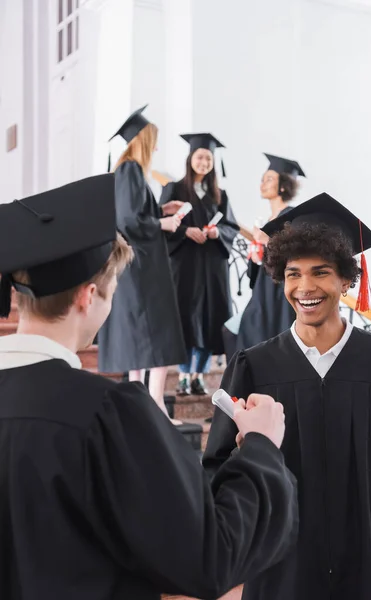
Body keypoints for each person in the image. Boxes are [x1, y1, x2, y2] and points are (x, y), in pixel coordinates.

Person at [0, 174, 298, 600]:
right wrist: (261, 447)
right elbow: (209, 558)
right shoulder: (105, 414)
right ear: (88, 296)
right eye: (112, 292)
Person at [204, 192, 371, 600]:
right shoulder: (255, 367)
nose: (305, 287)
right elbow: (217, 469)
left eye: (321, 272)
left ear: (346, 279)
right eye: (293, 273)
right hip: (280, 564)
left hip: (367, 557)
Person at [98, 106, 187, 423]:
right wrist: (162, 224)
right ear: (143, 140)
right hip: (141, 267)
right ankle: (154, 404)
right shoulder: (130, 170)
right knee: (155, 333)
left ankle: (143, 406)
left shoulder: (129, 171)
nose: (157, 147)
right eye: (155, 140)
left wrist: (162, 210)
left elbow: (136, 214)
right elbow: (129, 220)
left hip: (140, 265)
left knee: (142, 334)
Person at [160, 133, 239, 396]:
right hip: (185, 264)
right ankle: (183, 375)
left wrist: (218, 234)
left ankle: (198, 375)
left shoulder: (220, 195)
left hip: (212, 265)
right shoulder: (174, 189)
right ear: (190, 159)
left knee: (210, 318)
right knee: (186, 318)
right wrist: (185, 232)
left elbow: (231, 227)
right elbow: (160, 226)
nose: (204, 161)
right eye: (199, 157)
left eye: (208, 158)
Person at [223, 154, 305, 363]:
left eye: (269, 179)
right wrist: (256, 254)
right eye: (262, 179)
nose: (263, 183)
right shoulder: (268, 219)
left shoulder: (292, 216)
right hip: (263, 291)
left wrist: (268, 241)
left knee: (255, 341)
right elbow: (256, 270)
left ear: (284, 186)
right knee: (233, 332)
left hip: (278, 294)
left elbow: (297, 254)